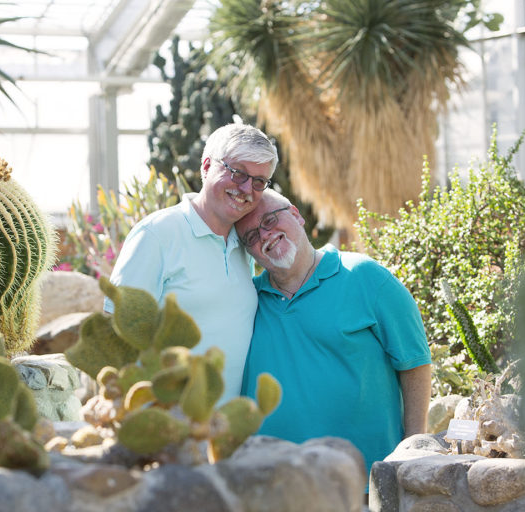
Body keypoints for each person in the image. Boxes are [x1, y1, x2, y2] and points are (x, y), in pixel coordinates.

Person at [236, 189, 432, 478]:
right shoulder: (246, 300)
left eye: (269, 220)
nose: (264, 236)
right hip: (273, 487)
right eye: (251, 237)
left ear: (295, 214)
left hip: (366, 483)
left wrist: (412, 451)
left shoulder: (366, 276)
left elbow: (414, 362)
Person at [106, 123, 279, 402]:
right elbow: (114, 335)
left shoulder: (243, 246)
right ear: (207, 166)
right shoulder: (157, 234)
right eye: (237, 173)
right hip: (164, 427)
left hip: (222, 430)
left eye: (259, 181)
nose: (246, 188)